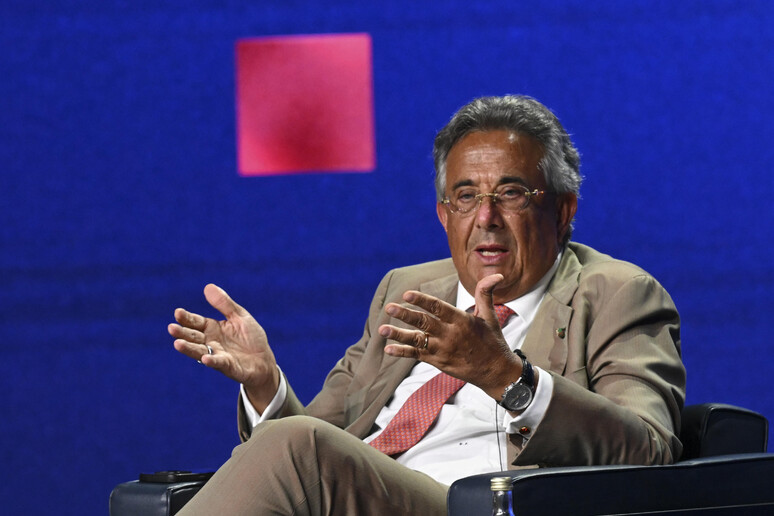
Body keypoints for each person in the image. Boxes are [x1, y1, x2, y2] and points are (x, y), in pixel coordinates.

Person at [169, 95, 686, 515]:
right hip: (373, 499)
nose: (486, 217)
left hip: (482, 505)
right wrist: (265, 385)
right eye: (466, 196)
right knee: (296, 442)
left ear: (563, 210)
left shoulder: (617, 292)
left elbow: (651, 450)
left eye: (510, 193)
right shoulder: (405, 289)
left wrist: (505, 375)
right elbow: (325, 443)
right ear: (444, 215)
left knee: (297, 446)